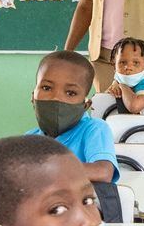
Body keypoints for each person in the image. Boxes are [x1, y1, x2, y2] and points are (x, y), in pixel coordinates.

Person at [26, 50, 119, 184]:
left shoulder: (94, 129)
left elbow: (103, 172)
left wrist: (46, 170)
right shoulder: (29, 139)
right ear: (33, 97)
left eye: (70, 93)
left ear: (85, 105)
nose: (56, 97)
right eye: (46, 88)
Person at [106, 37, 144, 114]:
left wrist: (122, 86)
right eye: (123, 62)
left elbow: (134, 107)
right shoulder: (115, 85)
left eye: (136, 63)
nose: (128, 67)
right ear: (114, 65)